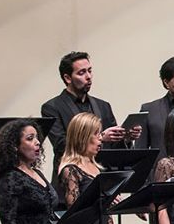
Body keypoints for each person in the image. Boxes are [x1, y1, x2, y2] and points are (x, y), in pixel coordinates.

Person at [41, 51, 138, 187]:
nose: (88, 77)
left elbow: (114, 149)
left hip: (101, 178)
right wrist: (101, 137)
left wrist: (126, 137)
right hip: (71, 181)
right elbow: (61, 145)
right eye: (81, 73)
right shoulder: (52, 107)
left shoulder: (103, 105)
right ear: (68, 78)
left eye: (90, 71)